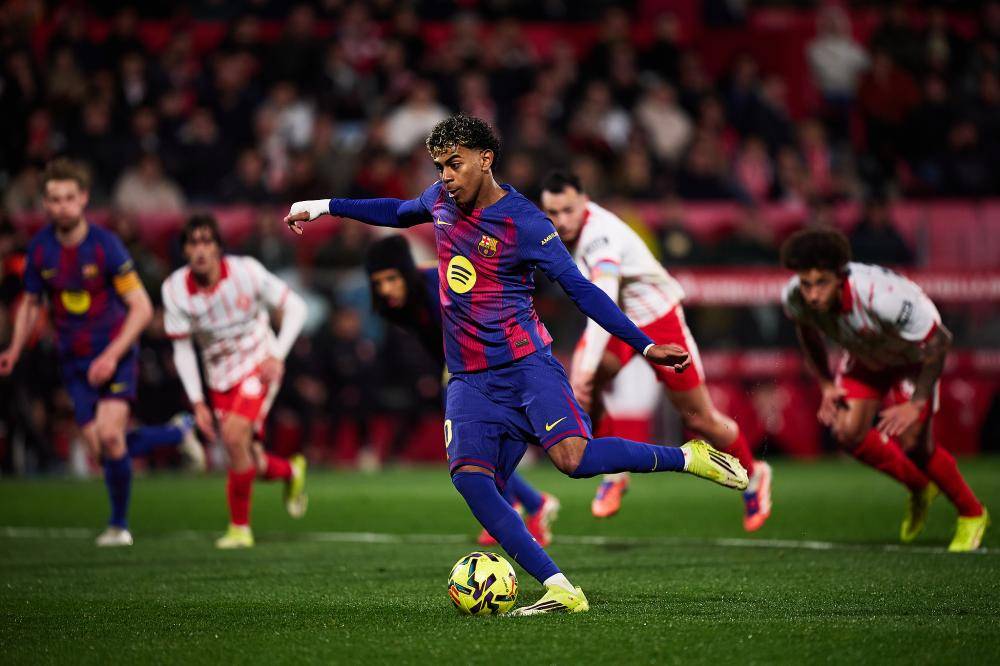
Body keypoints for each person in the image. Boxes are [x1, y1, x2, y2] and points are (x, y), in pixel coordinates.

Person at [286, 114, 748, 615]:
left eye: (455, 164)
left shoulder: (526, 223)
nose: (445, 176)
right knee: (470, 478)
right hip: (469, 379)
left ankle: (687, 457)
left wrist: (643, 345)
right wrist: (322, 206)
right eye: (440, 166)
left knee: (574, 461)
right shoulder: (440, 202)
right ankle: (560, 587)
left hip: (526, 367)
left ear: (485, 159)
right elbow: (396, 212)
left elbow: (580, 289)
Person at [540, 171, 771, 530]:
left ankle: (755, 474)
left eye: (568, 210)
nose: (562, 220)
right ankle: (615, 474)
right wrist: (586, 370)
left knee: (700, 419)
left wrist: (584, 366)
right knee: (586, 385)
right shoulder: (564, 233)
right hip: (620, 322)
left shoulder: (600, 236)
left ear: (585, 201)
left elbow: (602, 297)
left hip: (658, 319)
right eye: (553, 212)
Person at [0, 158, 203, 546]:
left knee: (111, 438)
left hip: (114, 352)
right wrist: (14, 347)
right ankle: (177, 431)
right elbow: (30, 302)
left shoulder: (105, 246)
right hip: (73, 360)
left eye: (69, 198)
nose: (62, 206)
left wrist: (111, 355)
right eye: (54, 199)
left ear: (83, 199)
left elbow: (141, 308)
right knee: (100, 447)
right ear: (45, 203)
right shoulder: (40, 250)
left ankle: (118, 526)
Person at [780, 228, 988, 552]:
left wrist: (916, 403)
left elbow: (939, 342)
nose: (813, 294)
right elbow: (807, 332)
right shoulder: (795, 296)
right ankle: (919, 486)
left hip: (913, 357)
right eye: (806, 284)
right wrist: (825, 383)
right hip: (866, 354)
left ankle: (972, 513)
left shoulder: (883, 298)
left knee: (914, 445)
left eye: (821, 283)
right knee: (847, 432)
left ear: (840, 276)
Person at [365, 235, 560, 547]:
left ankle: (514, 506)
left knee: (473, 446)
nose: (386, 289)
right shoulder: (395, 305)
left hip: (495, 355)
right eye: (378, 283)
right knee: (476, 448)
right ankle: (530, 504)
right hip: (460, 363)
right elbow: (433, 340)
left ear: (406, 272)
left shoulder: (438, 286)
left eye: (391, 279)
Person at [162, 214, 309, 549]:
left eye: (207, 241)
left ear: (218, 247)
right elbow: (182, 349)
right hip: (219, 378)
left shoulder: (247, 272)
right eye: (193, 243)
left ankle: (240, 529)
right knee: (248, 457)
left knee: (231, 437)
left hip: (259, 363)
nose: (200, 250)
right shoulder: (174, 290)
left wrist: (277, 356)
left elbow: (297, 308)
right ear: (184, 250)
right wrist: (197, 401)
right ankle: (291, 472)